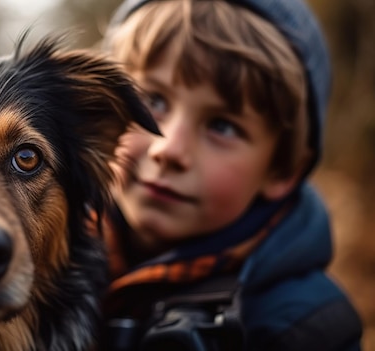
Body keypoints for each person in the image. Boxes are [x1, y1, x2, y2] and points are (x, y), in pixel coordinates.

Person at [95, 0, 363, 350]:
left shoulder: (306, 326)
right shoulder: (38, 258)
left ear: (282, 170)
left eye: (222, 125)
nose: (169, 149)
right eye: (153, 102)